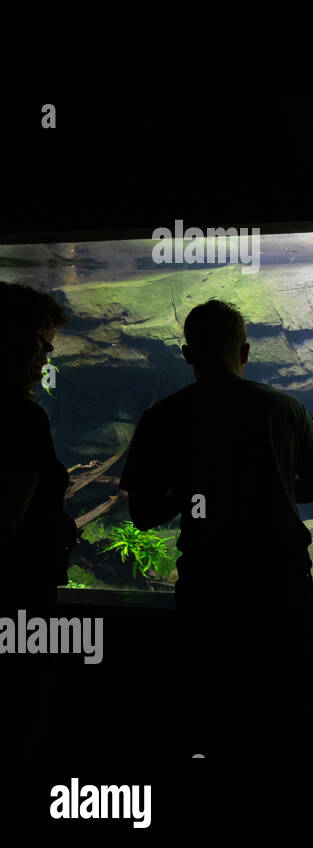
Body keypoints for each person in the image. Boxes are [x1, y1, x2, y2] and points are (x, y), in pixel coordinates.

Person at [119, 299, 313, 763]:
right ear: (246, 351)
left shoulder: (163, 416)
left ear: (187, 354)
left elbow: (141, 514)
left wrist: (194, 490)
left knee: (210, 700)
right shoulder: (285, 407)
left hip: (207, 581)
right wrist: (268, 488)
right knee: (290, 695)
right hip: (280, 581)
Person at [0, 282, 77, 763]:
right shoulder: (21, 419)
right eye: (43, 346)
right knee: (19, 713)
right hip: (18, 595)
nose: (47, 359)